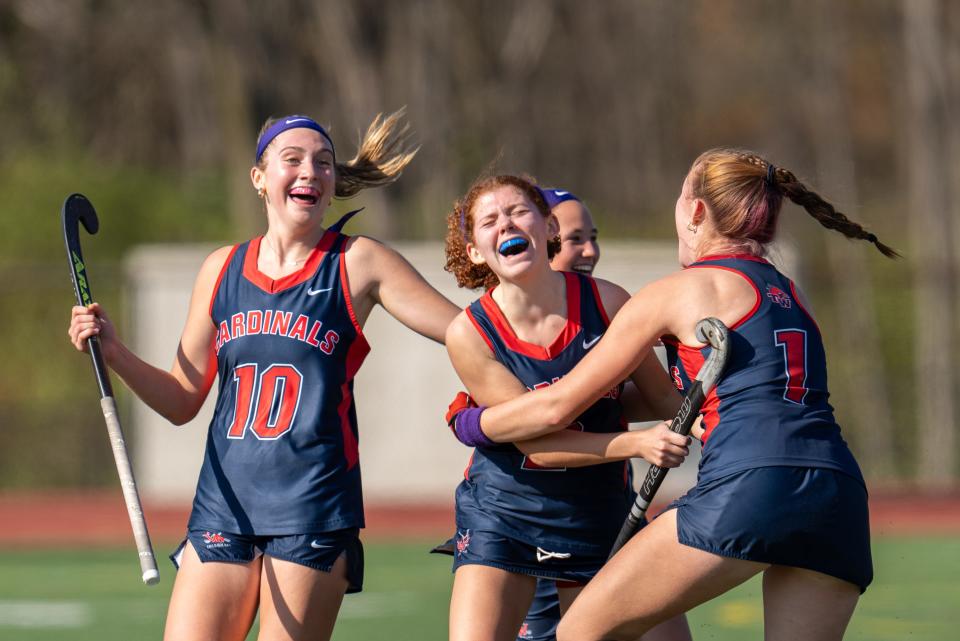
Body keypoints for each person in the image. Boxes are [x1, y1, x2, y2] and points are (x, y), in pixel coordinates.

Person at [459, 148, 894, 641]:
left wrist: (474, 423)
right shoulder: (790, 291)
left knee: (581, 630)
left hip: (751, 487)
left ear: (696, 212)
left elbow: (558, 406)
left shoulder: (676, 291)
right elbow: (683, 397)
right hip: (838, 497)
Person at [68, 111, 460, 641]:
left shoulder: (357, 262)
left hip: (314, 507)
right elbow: (183, 398)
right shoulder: (222, 268)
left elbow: (463, 333)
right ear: (259, 177)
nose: (310, 172)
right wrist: (114, 352)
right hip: (223, 505)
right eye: (292, 160)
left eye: (323, 163)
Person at [440, 174, 692, 641]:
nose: (506, 224)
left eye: (517, 212)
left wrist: (714, 370)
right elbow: (540, 447)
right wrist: (636, 443)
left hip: (599, 512)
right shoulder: (470, 333)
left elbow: (661, 398)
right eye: (489, 221)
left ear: (546, 225)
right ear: (474, 250)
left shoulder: (609, 301)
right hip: (506, 512)